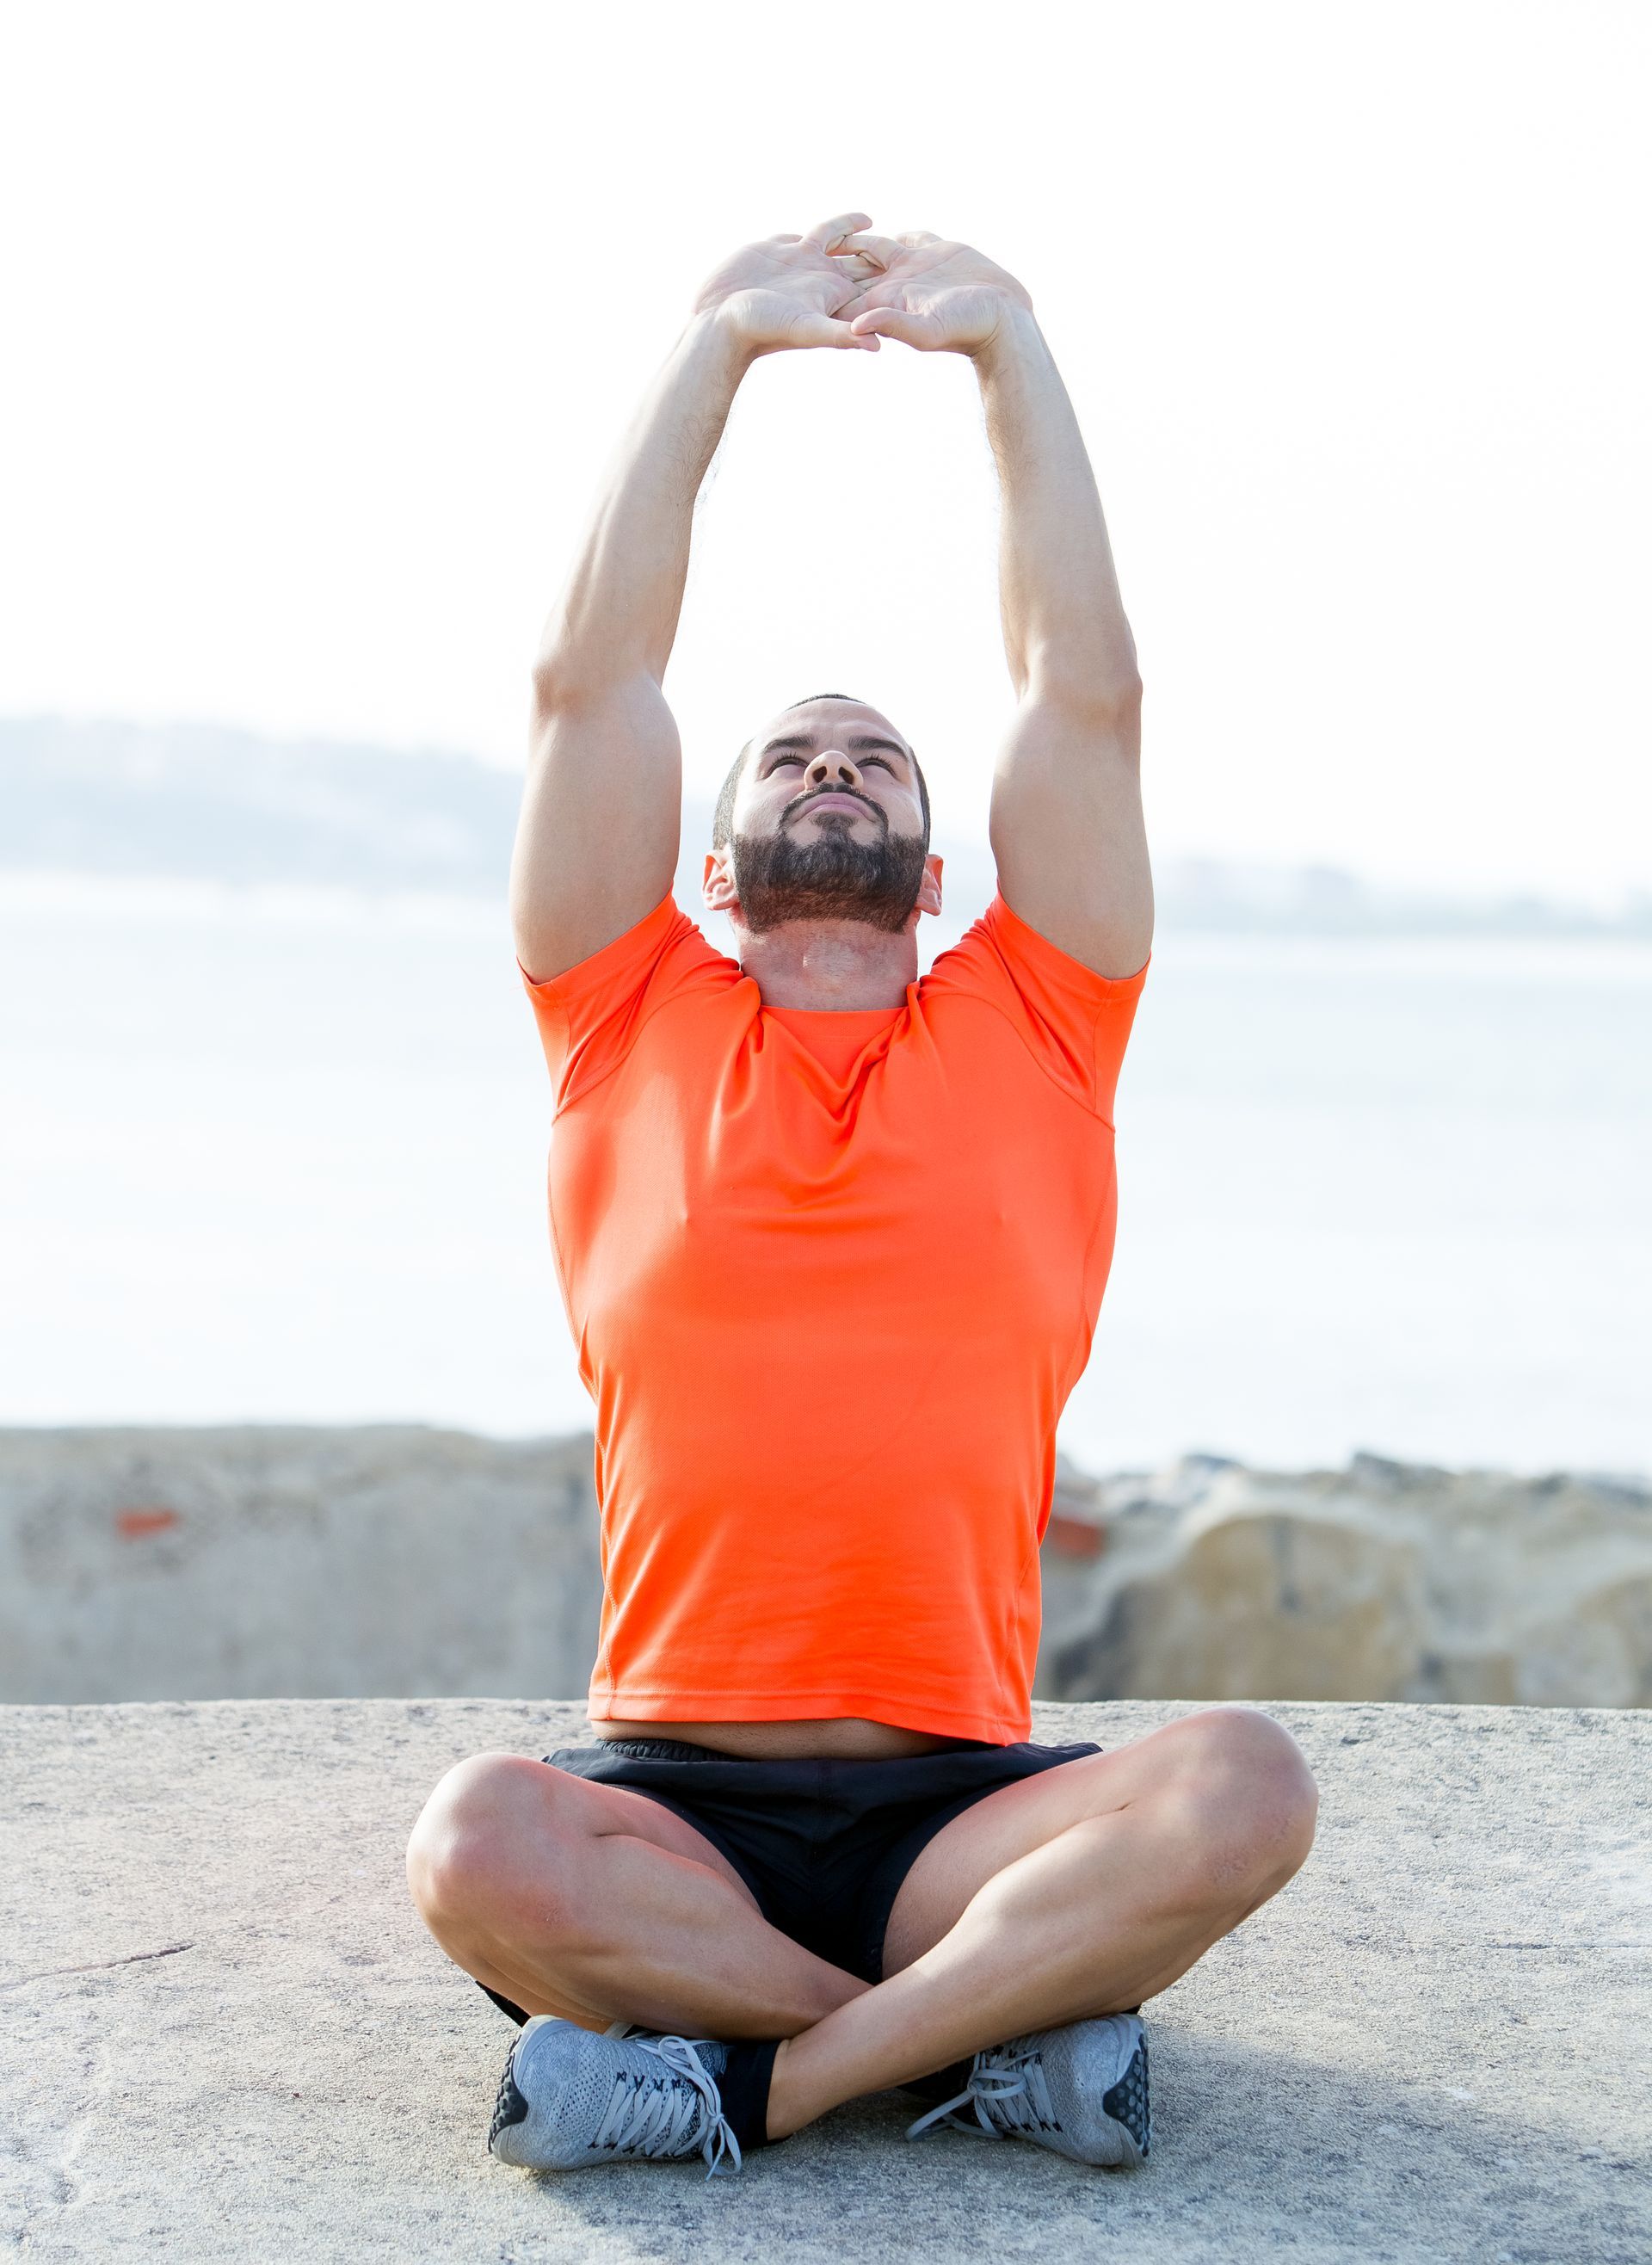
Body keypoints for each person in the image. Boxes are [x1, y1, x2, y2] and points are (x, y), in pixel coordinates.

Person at [406, 213, 1317, 2177]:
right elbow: (591, 682)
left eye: (878, 758)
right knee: (476, 1842)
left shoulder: (1046, 1022)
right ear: (718, 870)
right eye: (796, 756)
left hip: (961, 1815)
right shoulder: (621, 1015)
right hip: (671, 1810)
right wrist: (713, 349)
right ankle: (973, 2044)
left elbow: (1089, 693)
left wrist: (1014, 353)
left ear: (935, 859)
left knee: (1245, 1783)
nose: (837, 765)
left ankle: (760, 2082)